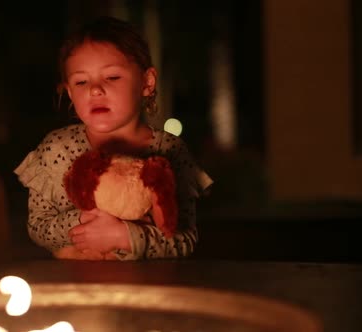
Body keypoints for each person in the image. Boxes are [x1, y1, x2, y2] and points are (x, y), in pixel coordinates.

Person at [14, 16, 213, 260]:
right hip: (78, 288)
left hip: (147, 290)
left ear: (146, 82)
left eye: (112, 77)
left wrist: (125, 236)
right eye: (81, 81)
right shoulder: (58, 149)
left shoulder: (169, 149)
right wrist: (83, 222)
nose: (95, 89)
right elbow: (38, 227)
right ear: (69, 92)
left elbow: (184, 240)